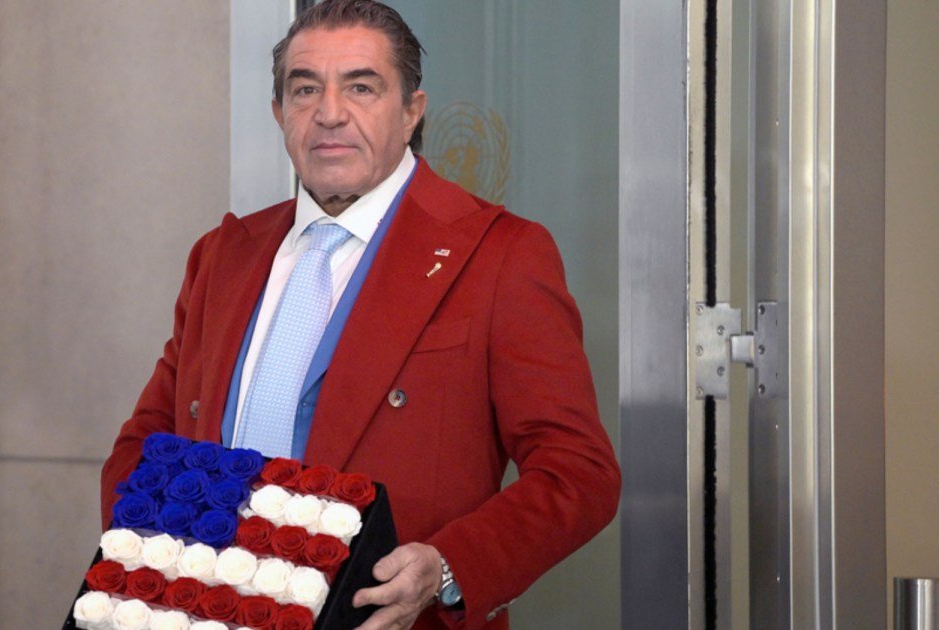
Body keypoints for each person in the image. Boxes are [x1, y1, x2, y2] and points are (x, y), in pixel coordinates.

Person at [100, 1, 620, 628]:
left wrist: (448, 567)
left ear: (412, 112)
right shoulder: (223, 255)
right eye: (305, 89)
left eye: (361, 87)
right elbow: (147, 440)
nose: (330, 113)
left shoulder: (500, 254)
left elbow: (578, 473)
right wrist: (155, 567)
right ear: (279, 113)